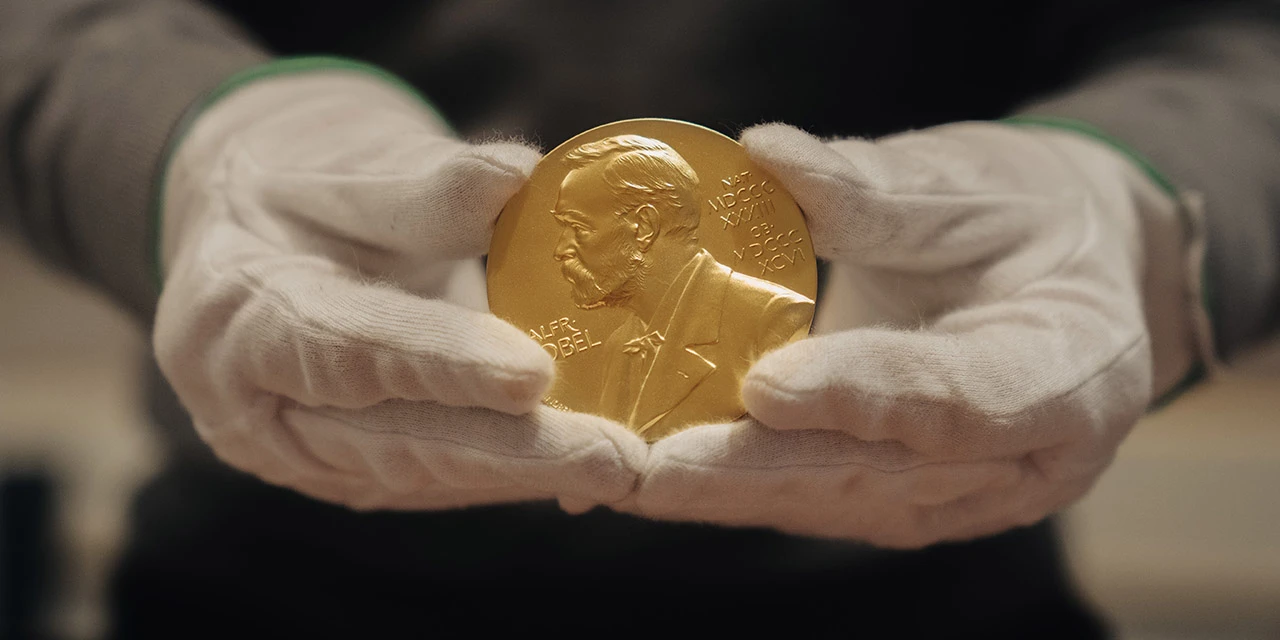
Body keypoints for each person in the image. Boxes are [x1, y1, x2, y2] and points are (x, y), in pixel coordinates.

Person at [2, 1, 1278, 637]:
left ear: (659, 232)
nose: (564, 237)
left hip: (918, 572)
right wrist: (180, 139)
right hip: (264, 580)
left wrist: (1139, 197)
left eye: (594, 226)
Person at [552, 134, 814, 437]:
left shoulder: (777, 321)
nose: (560, 250)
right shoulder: (619, 346)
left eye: (578, 227)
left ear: (644, 227)